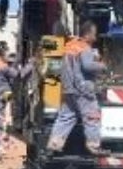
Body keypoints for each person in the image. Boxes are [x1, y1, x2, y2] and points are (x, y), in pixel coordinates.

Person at [46, 20, 107, 156]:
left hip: (68, 89)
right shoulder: (84, 48)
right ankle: (94, 146)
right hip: (83, 89)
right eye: (94, 34)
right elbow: (87, 66)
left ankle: (54, 145)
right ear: (87, 35)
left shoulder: (69, 46)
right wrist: (103, 65)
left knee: (65, 117)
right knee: (92, 117)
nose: (95, 37)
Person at [0, 40, 32, 161]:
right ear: (2, 52)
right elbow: (19, 75)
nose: (8, 54)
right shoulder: (3, 67)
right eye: (6, 51)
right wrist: (31, 65)